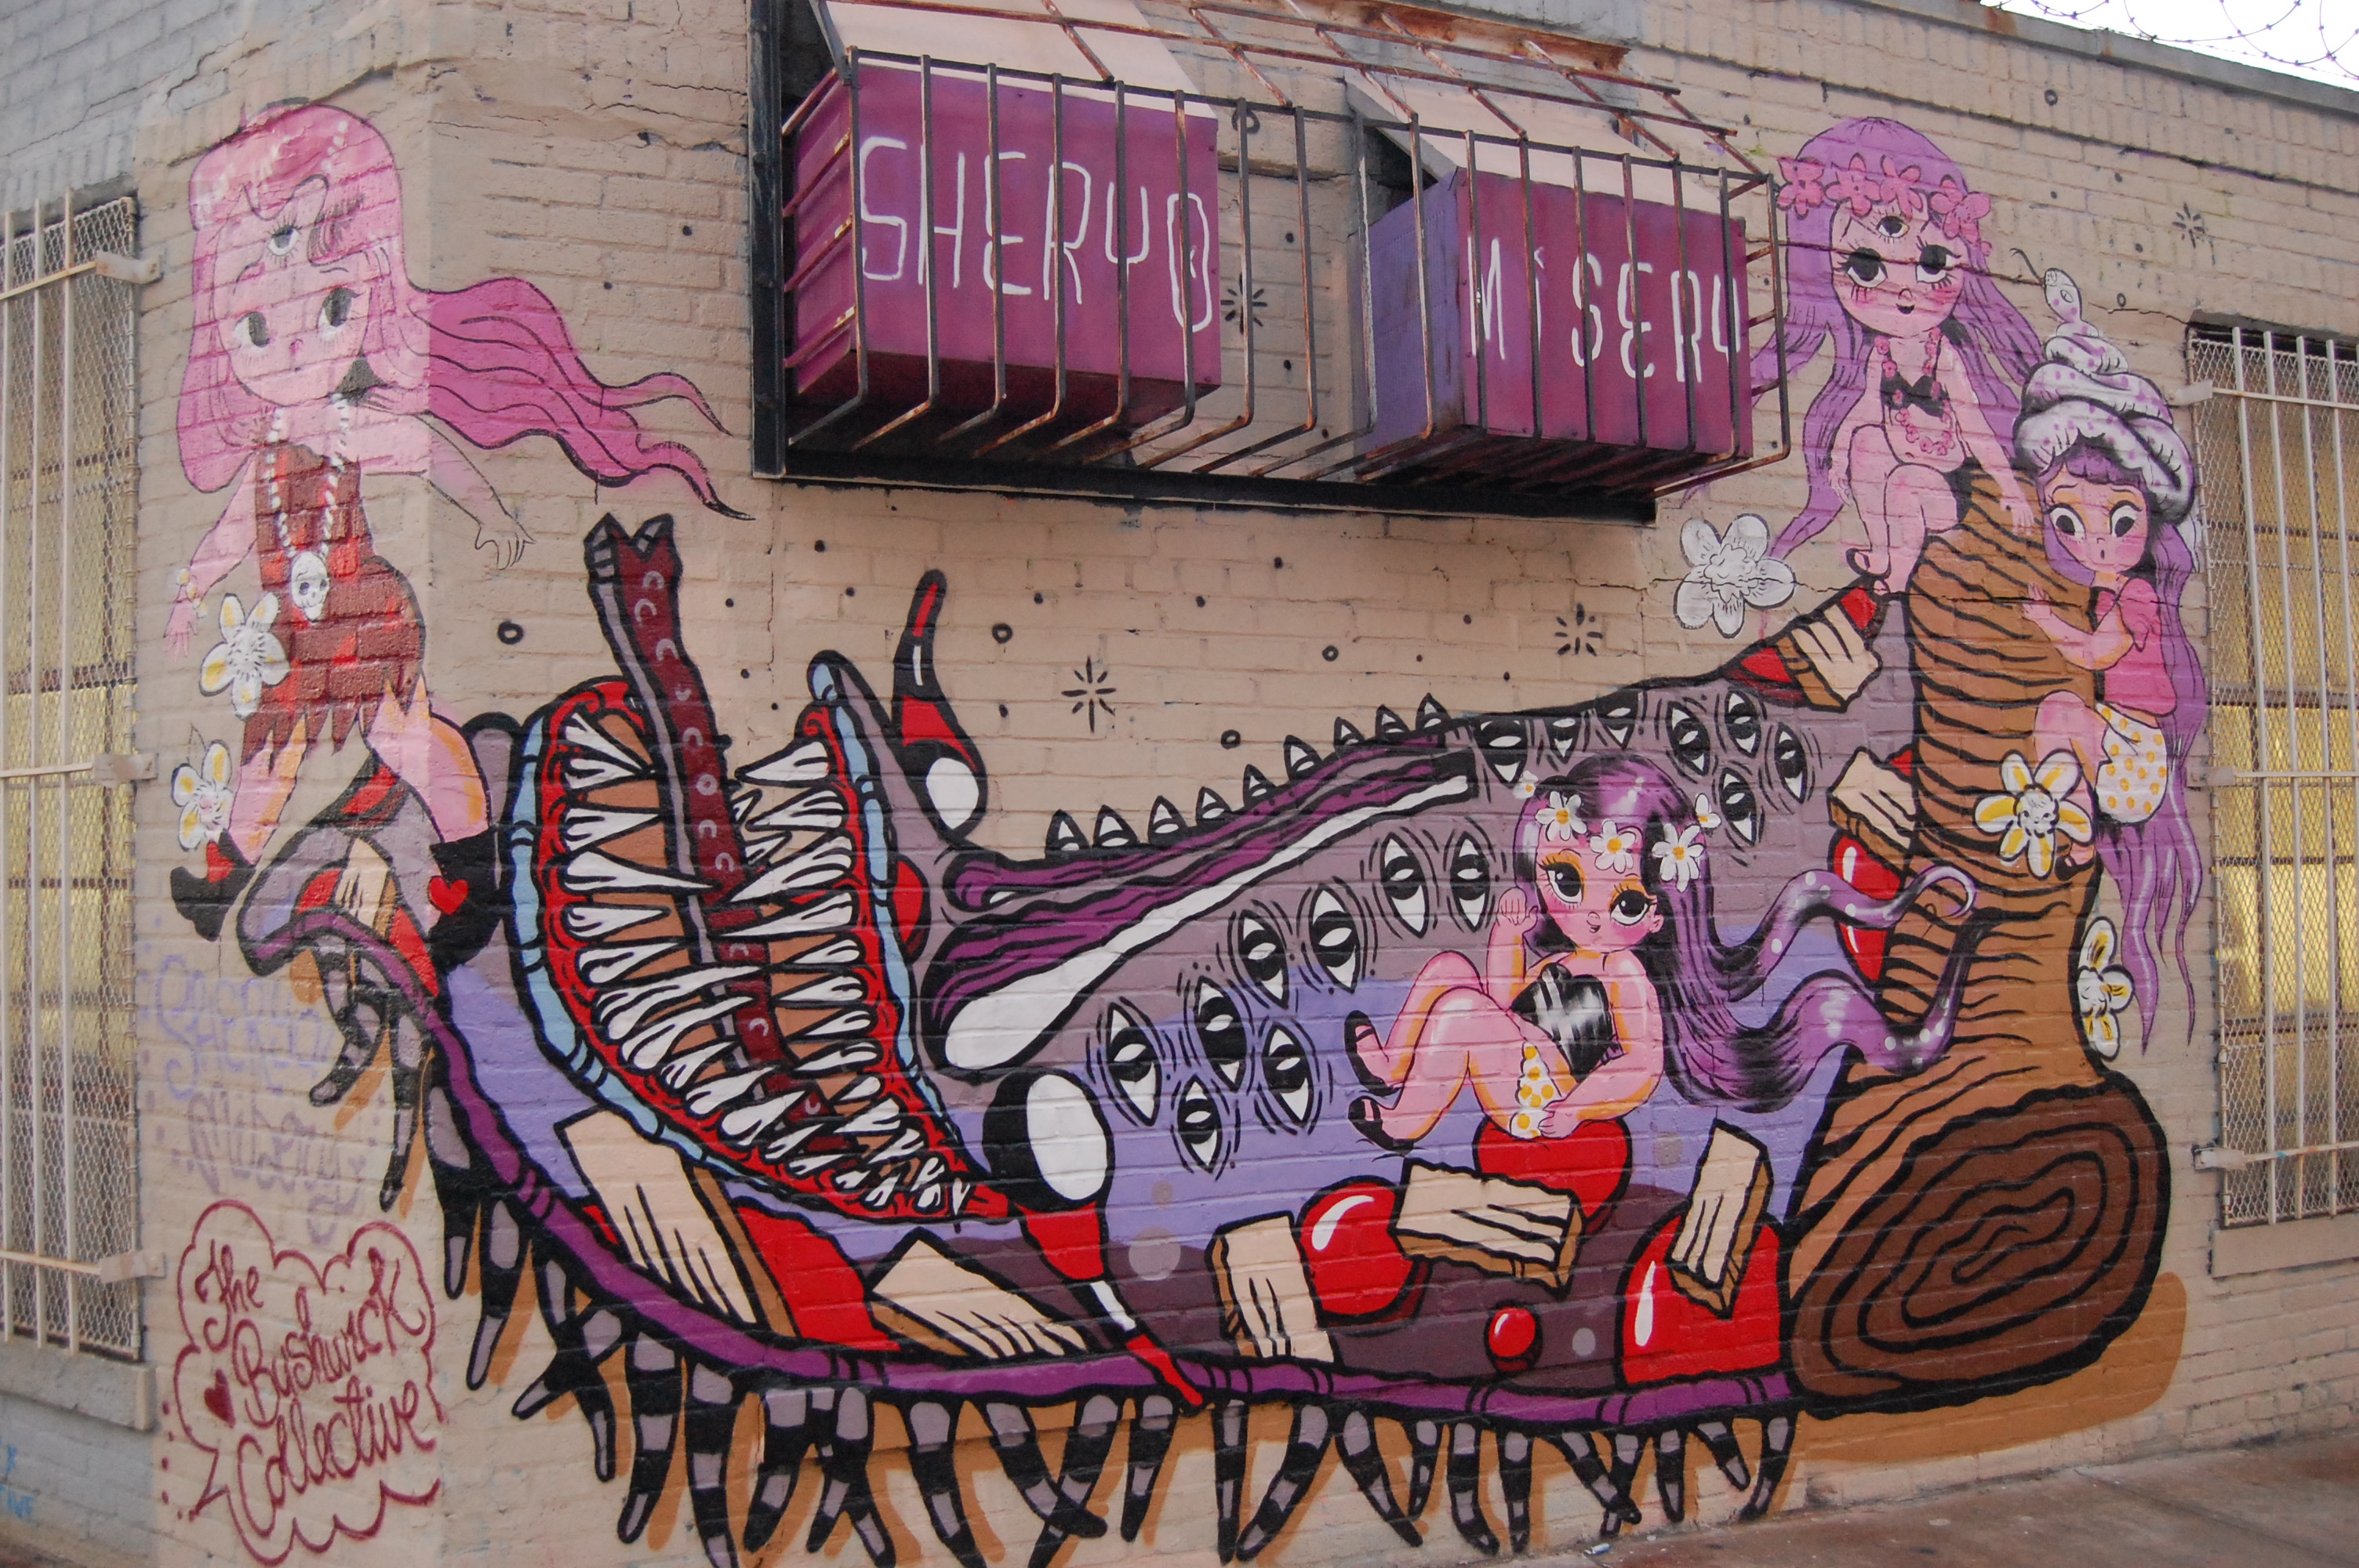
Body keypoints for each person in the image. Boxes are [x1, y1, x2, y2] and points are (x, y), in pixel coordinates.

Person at [167, 103, 735, 958]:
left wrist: (493, 513)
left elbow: (428, 451)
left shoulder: (349, 427)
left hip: (360, 618)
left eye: (332, 307)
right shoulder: (268, 449)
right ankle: (220, 884)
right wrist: (190, 586)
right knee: (271, 753)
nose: (288, 349)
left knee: (409, 740)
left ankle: (473, 872)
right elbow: (231, 534)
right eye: (254, 327)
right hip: (296, 634)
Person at [1347, 753, 1992, 1163]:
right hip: (1511, 1055)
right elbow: (1505, 999)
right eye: (1567, 881)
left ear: (1657, 914)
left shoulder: (1623, 973)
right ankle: (1393, 1063)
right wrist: (1507, 938)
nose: (1591, 914)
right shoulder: (1569, 958)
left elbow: (1641, 1066)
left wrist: (1577, 1107)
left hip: (1538, 1092)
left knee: (1462, 1013)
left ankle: (1404, 1122)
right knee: (1451, 976)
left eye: (1625, 902)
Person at [2012, 269, 2207, 1036]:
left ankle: (2071, 829)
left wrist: (2043, 622)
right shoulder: (2113, 589)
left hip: (2137, 755)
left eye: (2118, 520)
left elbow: (2097, 652)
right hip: (2125, 745)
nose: (2094, 541)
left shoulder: (2135, 596)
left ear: (2149, 517)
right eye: (2069, 521)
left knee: (2061, 714)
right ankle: (2073, 829)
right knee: (2058, 723)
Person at [1758, 118, 2044, 590]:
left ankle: (1897, 576)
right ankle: (1882, 549)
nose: (1905, 291)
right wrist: (1839, 454)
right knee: (1868, 443)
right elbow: (1867, 408)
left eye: (1932, 263)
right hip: (1899, 472)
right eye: (1865, 268)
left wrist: (2010, 486)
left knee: (1906, 483)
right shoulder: (1883, 353)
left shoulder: (1942, 355)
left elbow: (1974, 420)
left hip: (1946, 490)